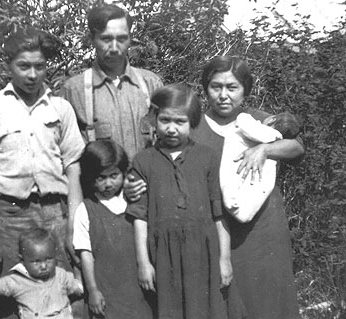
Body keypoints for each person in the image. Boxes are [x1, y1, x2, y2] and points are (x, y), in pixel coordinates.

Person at [0, 26, 85, 317]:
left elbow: (73, 168)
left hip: (56, 213)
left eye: (39, 66)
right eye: (24, 66)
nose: (32, 75)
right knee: (11, 300)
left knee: (66, 294)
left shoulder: (61, 108)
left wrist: (73, 226)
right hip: (10, 216)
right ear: (9, 65)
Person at [190, 56, 304, 319]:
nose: (223, 95)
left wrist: (265, 149)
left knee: (267, 302)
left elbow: (297, 147)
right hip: (218, 227)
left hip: (263, 229)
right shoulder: (195, 127)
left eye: (232, 88)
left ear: (246, 90)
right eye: (215, 87)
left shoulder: (259, 121)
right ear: (205, 88)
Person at [127, 84, 240, 319]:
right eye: (165, 120)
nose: (171, 129)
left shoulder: (207, 157)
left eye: (180, 122)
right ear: (154, 120)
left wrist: (225, 259)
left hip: (202, 253)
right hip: (163, 255)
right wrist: (143, 263)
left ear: (193, 123)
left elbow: (219, 214)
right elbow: (139, 217)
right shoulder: (143, 161)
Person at [61, 3, 163, 160]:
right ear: (92, 39)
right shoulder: (74, 90)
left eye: (121, 38)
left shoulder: (151, 84)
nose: (114, 48)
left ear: (130, 39)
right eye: (106, 39)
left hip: (146, 182)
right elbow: (67, 155)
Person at [73, 140, 154, 319]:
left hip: (136, 289)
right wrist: (93, 290)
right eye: (101, 178)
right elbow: (86, 255)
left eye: (114, 176)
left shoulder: (132, 201)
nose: (108, 184)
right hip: (106, 290)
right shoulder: (85, 209)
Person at [0, 228, 83, 319]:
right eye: (36, 262)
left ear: (55, 254)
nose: (43, 266)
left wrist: (78, 267)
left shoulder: (60, 275)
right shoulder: (18, 280)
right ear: (23, 260)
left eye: (48, 259)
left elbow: (78, 287)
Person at [220, 112, 301, 222]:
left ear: (272, 119)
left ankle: (236, 205)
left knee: (232, 178)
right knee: (259, 183)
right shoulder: (276, 143)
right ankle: (243, 211)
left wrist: (246, 116)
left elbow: (244, 122)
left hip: (237, 159)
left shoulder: (265, 132)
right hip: (252, 166)